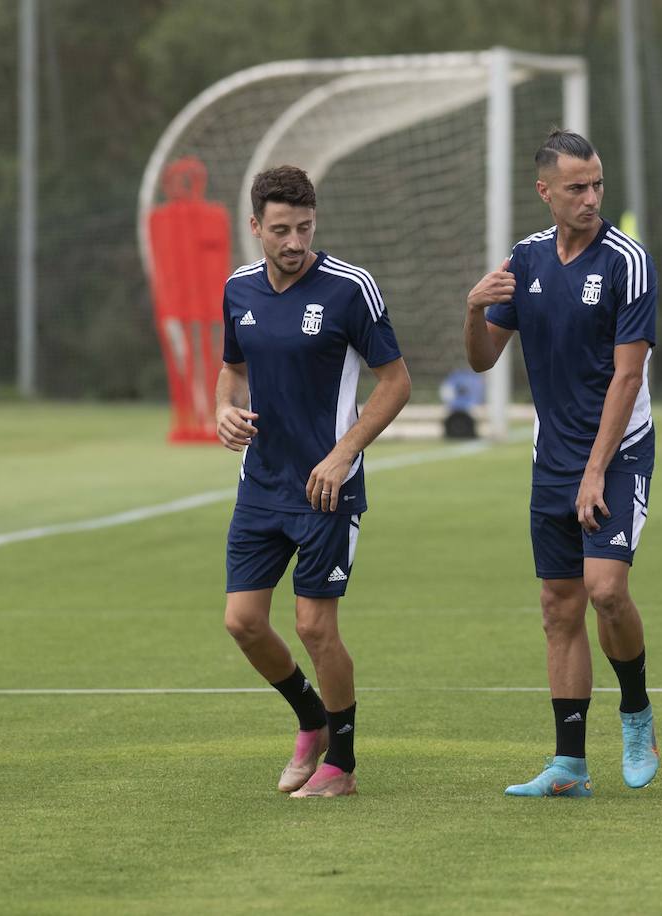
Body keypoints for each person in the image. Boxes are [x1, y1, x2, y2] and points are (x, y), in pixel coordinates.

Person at [464, 129, 660, 797]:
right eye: (576, 187)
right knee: (557, 605)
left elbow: (627, 378)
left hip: (619, 451)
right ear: (545, 191)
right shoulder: (524, 259)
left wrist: (596, 469)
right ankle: (570, 765)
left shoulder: (628, 261)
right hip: (553, 458)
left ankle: (635, 710)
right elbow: (482, 358)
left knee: (606, 590)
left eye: (597, 183)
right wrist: (473, 307)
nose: (591, 197)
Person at [215, 165, 411, 799]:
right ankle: (310, 719)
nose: (294, 242)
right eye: (280, 230)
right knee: (242, 622)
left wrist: (343, 453)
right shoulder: (238, 290)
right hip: (260, 485)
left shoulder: (351, 289)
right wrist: (224, 408)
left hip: (326, 488)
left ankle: (342, 765)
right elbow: (232, 371)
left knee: (314, 626)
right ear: (255, 228)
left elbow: (396, 382)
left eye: (304, 227)